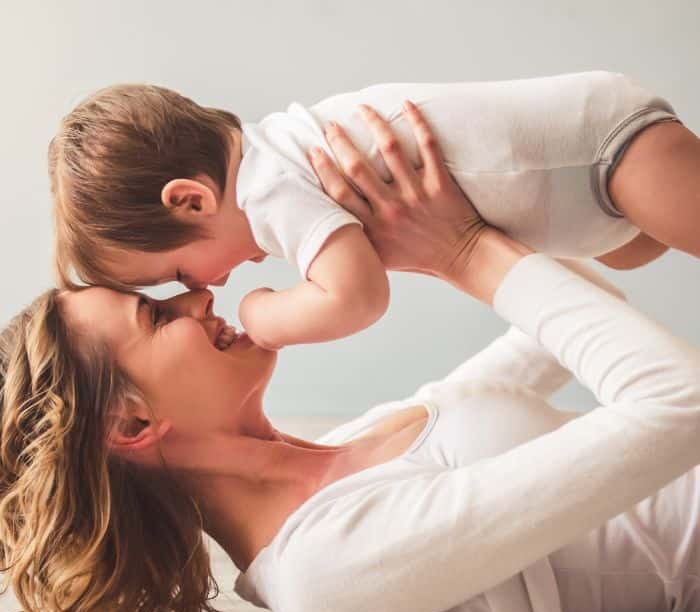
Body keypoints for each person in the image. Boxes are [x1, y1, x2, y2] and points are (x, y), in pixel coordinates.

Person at [2, 105, 700, 612]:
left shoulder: (346, 445)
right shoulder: (329, 565)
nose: (197, 294)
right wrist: (460, 251)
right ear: (132, 423)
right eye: (155, 317)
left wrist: (420, 213)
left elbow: (574, 311)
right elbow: (680, 403)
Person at [48, 72, 700, 351]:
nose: (208, 288)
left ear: (191, 200)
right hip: (594, 193)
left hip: (607, 154)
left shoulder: (267, 189)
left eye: (181, 272)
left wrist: (264, 317)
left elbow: (357, 298)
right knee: (641, 245)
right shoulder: (278, 153)